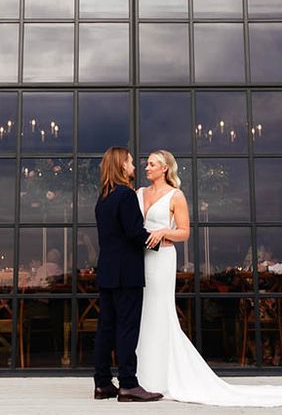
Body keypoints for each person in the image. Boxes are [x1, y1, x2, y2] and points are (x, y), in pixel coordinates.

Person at [135, 149, 282, 407]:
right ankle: (143, 376)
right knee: (143, 312)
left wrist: (163, 232)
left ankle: (163, 376)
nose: (146, 168)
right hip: (140, 259)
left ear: (165, 169)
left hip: (162, 259)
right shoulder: (138, 193)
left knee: (160, 311)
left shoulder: (175, 196)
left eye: (151, 164)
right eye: (146, 164)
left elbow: (184, 233)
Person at [93, 146, 163, 403]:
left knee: (106, 329)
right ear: (122, 166)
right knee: (127, 329)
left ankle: (102, 384)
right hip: (127, 274)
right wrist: (157, 240)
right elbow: (134, 232)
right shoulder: (125, 195)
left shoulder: (103, 198)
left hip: (108, 271)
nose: (135, 166)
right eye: (132, 162)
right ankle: (128, 385)